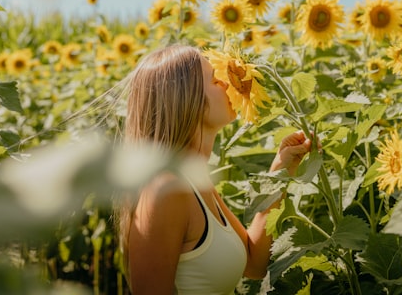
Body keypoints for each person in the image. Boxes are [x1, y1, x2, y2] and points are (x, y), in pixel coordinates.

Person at [115, 44, 312, 295]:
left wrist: (280, 172)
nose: (229, 82)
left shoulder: (194, 180)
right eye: (215, 78)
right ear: (186, 99)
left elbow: (254, 264)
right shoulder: (165, 189)